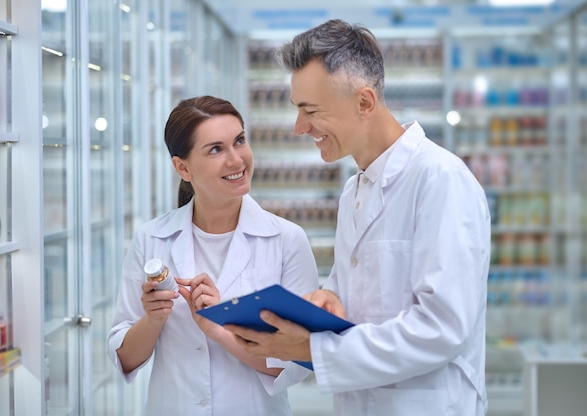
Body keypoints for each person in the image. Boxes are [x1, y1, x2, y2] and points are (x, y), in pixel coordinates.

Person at [226, 19, 491, 416]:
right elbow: (358, 291)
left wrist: (315, 350)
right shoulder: (355, 188)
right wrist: (328, 299)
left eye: (310, 111)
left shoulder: (440, 180)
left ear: (364, 102)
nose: (300, 127)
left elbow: (442, 328)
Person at [107, 95, 319, 415]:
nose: (236, 160)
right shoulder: (151, 238)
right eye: (216, 149)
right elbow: (124, 358)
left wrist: (219, 328)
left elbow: (297, 360)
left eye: (239, 141)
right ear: (183, 167)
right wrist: (152, 320)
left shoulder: (287, 240)